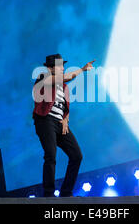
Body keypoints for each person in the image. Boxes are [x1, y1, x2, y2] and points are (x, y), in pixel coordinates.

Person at [32, 53, 94, 197]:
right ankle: (48, 194)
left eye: (63, 66)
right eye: (59, 66)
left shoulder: (64, 87)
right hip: (45, 120)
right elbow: (67, 77)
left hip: (59, 123)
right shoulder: (44, 78)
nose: (62, 68)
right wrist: (83, 69)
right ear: (50, 68)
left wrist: (65, 120)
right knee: (51, 156)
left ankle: (66, 192)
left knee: (76, 156)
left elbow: (65, 108)